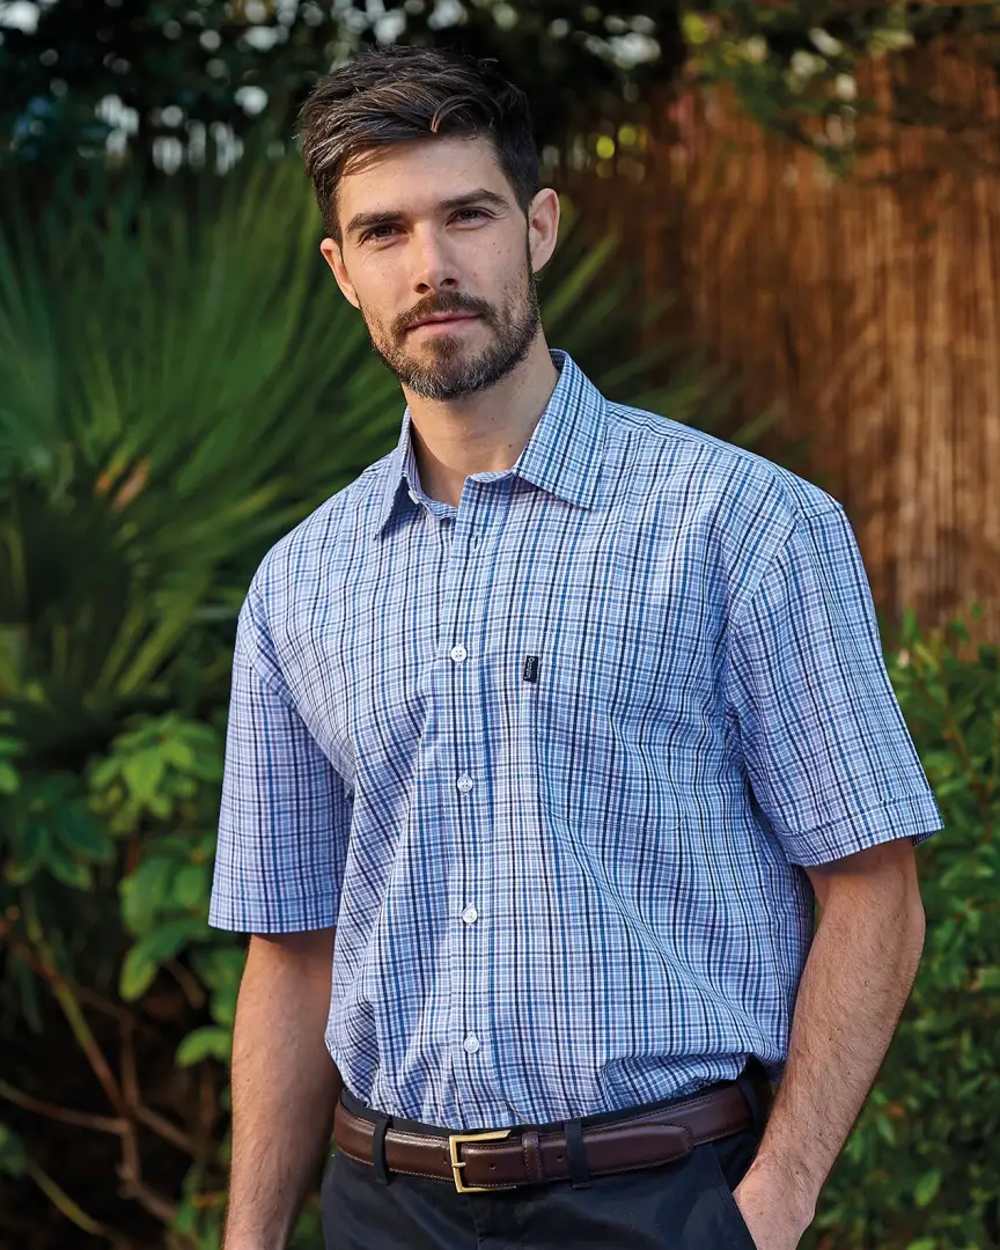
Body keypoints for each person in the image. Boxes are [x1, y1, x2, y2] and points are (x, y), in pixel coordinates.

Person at [206, 42, 944, 1250]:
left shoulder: (745, 525)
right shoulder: (302, 582)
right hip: (383, 1207)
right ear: (342, 271)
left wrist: (772, 1201)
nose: (433, 266)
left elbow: (874, 886)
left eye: (468, 215)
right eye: (385, 232)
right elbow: (292, 951)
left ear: (537, 228)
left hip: (663, 1197)